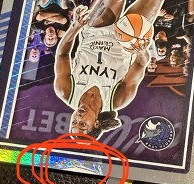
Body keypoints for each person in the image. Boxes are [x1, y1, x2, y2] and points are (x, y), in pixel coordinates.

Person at [54, 0, 165, 138]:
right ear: (96, 124)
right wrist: (141, 51)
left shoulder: (65, 92)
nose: (78, 117)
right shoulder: (117, 100)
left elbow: (62, 55)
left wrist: (75, 27)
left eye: (74, 122)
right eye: (82, 124)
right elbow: (140, 65)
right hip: (128, 39)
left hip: (96, 30)